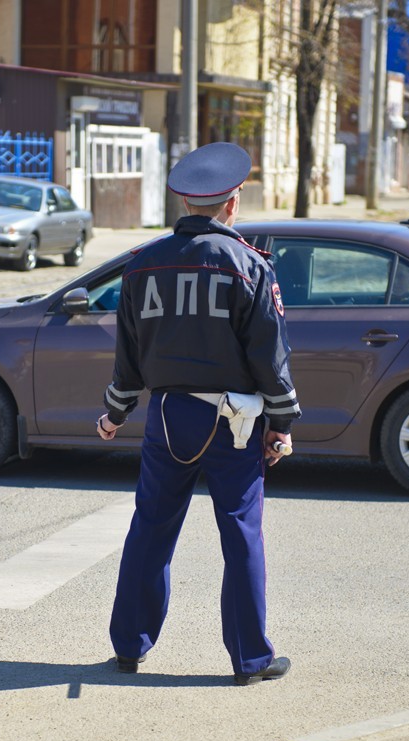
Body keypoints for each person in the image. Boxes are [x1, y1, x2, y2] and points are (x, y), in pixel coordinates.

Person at [95, 142, 301, 686]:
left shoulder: (141, 265)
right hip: (235, 423)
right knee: (240, 534)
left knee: (151, 528)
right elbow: (270, 356)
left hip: (167, 417)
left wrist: (114, 413)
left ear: (183, 202)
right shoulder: (249, 266)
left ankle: (129, 647)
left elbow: (128, 358)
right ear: (232, 205)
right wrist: (280, 425)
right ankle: (250, 661)